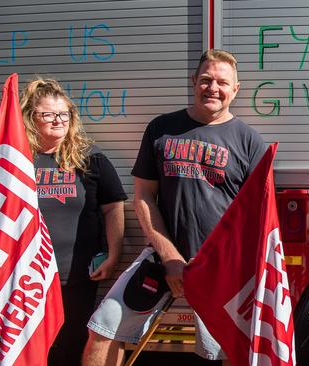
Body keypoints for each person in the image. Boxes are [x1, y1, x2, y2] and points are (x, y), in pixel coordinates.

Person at [83, 49, 266, 365]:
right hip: (161, 257)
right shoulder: (161, 129)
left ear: (236, 89)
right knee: (103, 329)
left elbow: (257, 218)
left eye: (222, 82)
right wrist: (170, 257)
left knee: (230, 350)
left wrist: (213, 260)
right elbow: (142, 197)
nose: (213, 88)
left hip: (221, 266)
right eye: (206, 80)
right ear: (194, 81)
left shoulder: (250, 142)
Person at [19, 78, 127, 366]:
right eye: (48, 114)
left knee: (69, 345)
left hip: (75, 277)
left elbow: (114, 208)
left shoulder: (90, 160)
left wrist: (114, 254)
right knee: (29, 348)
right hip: (25, 279)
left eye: (64, 114)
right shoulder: (16, 161)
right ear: (31, 118)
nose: (58, 121)